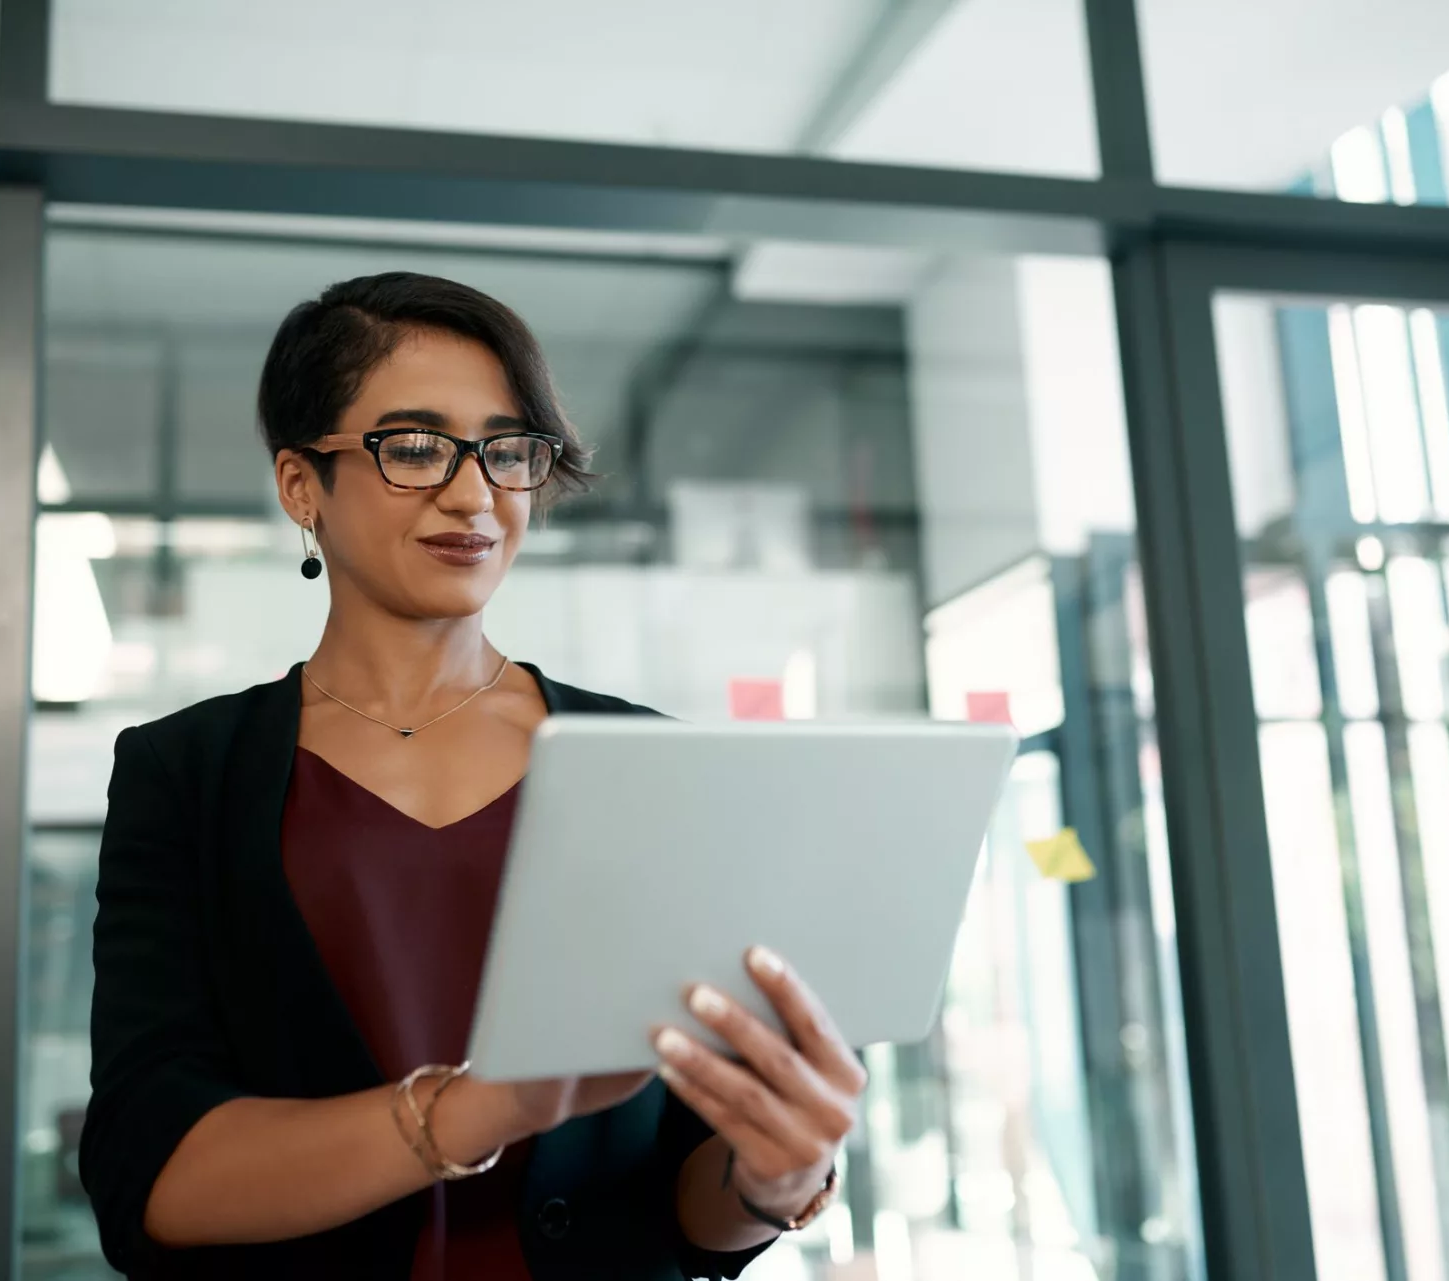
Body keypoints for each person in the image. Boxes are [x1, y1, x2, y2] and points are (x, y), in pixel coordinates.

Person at [79, 272, 866, 1279]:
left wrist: (779, 1180)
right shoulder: (184, 773)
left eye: (507, 450)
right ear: (300, 485)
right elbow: (150, 1177)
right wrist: (478, 1110)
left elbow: (686, 1204)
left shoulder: (653, 764)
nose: (474, 492)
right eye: (412, 447)